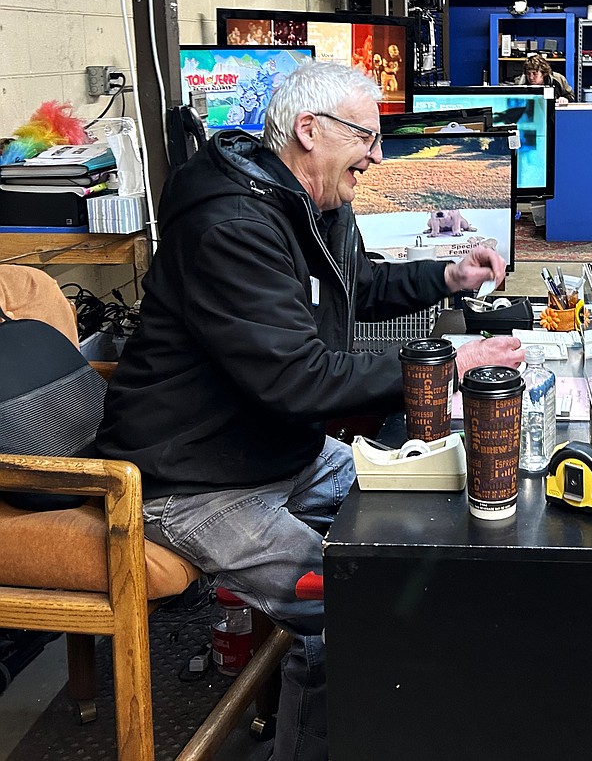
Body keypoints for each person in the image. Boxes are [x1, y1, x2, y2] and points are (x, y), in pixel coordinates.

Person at [96, 61, 524, 761]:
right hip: (192, 481)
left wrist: (449, 276)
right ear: (309, 130)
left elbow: (361, 288)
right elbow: (299, 378)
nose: (380, 156)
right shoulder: (231, 225)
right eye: (369, 137)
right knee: (354, 604)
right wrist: (448, 366)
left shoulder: (316, 206)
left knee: (419, 527)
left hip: (276, 451)